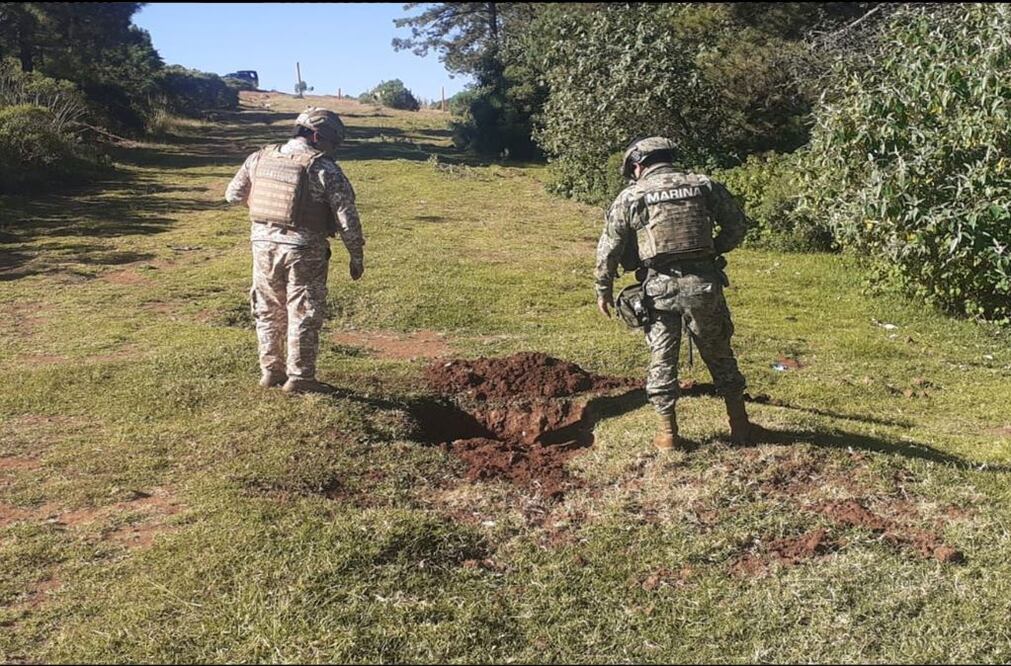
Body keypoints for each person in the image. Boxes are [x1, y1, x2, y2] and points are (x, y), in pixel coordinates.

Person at [594, 136, 757, 450]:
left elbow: (609, 249)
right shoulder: (704, 185)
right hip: (704, 285)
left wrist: (603, 289)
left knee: (662, 358)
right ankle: (740, 426)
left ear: (638, 165)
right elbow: (737, 226)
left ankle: (668, 435)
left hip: (658, 289)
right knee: (720, 353)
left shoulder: (632, 196)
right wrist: (712, 251)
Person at [225, 107, 364, 393]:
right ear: (316, 136)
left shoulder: (259, 158)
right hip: (305, 249)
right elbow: (346, 217)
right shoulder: (324, 168)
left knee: (268, 309)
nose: (334, 149)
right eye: (332, 142)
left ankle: (271, 371)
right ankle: (300, 377)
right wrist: (356, 255)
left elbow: (233, 195)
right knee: (303, 310)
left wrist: (266, 213)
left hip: (263, 246)